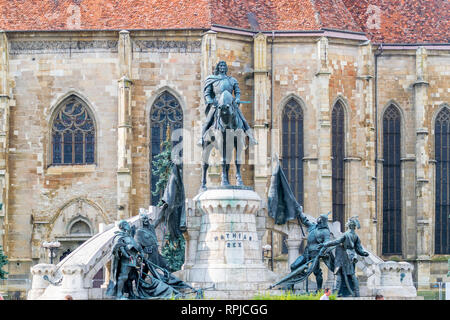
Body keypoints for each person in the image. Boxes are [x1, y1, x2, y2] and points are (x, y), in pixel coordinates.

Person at [198, 60, 257, 147]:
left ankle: (251, 138)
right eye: (221, 66)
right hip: (217, 104)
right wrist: (210, 100)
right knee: (208, 121)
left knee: (243, 119)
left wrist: (237, 99)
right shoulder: (212, 79)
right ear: (218, 68)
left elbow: (237, 92)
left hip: (230, 104)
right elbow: (207, 93)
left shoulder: (232, 80)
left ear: (226, 68)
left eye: (224, 66)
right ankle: (201, 139)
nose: (222, 68)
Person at [320, 216, 369, 297]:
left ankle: (335, 294)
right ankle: (357, 293)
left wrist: (326, 244)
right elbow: (359, 248)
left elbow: (336, 241)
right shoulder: (355, 236)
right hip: (351, 257)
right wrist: (364, 253)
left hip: (343, 258)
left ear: (349, 226)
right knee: (352, 275)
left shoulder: (345, 235)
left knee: (338, 275)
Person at [289, 206, 335, 292]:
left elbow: (327, 241)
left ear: (323, 221)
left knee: (316, 272)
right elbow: (305, 221)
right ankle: (291, 287)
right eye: (319, 218)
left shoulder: (325, 231)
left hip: (316, 254)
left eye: (320, 218)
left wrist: (323, 246)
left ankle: (319, 289)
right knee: (294, 266)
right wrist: (300, 212)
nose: (319, 219)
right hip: (306, 253)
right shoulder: (313, 227)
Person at [106, 220, 143, 299]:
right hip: (126, 260)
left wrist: (140, 253)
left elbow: (136, 246)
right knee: (123, 276)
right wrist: (127, 256)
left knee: (131, 277)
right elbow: (120, 247)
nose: (128, 225)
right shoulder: (119, 236)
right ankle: (119, 295)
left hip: (133, 260)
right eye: (125, 224)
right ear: (121, 226)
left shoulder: (128, 236)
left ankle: (131, 293)